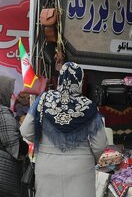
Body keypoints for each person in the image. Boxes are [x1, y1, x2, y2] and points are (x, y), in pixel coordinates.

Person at [20, 62, 107, 197]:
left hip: (47, 164)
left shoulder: (43, 100)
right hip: (81, 168)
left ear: (60, 79)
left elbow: (26, 131)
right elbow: (100, 144)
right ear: (80, 81)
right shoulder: (88, 106)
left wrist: (42, 141)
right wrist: (89, 157)